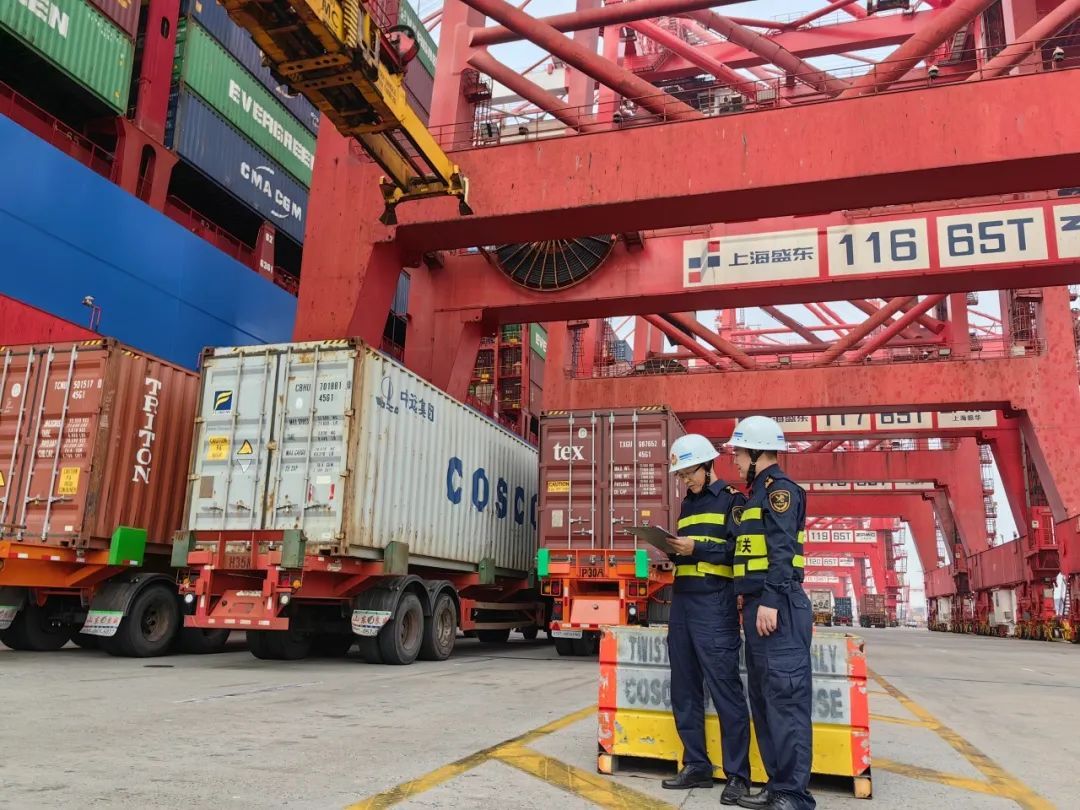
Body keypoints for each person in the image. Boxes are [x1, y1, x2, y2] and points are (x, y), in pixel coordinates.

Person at [726, 416, 815, 810]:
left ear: (756, 453)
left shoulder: (780, 491)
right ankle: (777, 785)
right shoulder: (756, 496)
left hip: (778, 606)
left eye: (738, 452)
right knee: (764, 702)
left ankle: (793, 795)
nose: (734, 460)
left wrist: (771, 600)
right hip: (759, 606)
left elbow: (783, 550)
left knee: (786, 701)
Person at [661, 433, 752, 804]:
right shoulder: (688, 505)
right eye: (681, 475)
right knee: (684, 687)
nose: (686, 480)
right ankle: (697, 765)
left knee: (725, 688)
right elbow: (692, 552)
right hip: (683, 602)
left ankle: (738, 776)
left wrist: (697, 547)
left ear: (707, 465)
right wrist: (674, 549)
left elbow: (738, 550)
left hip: (715, 603)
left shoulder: (733, 501)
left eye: (689, 473)